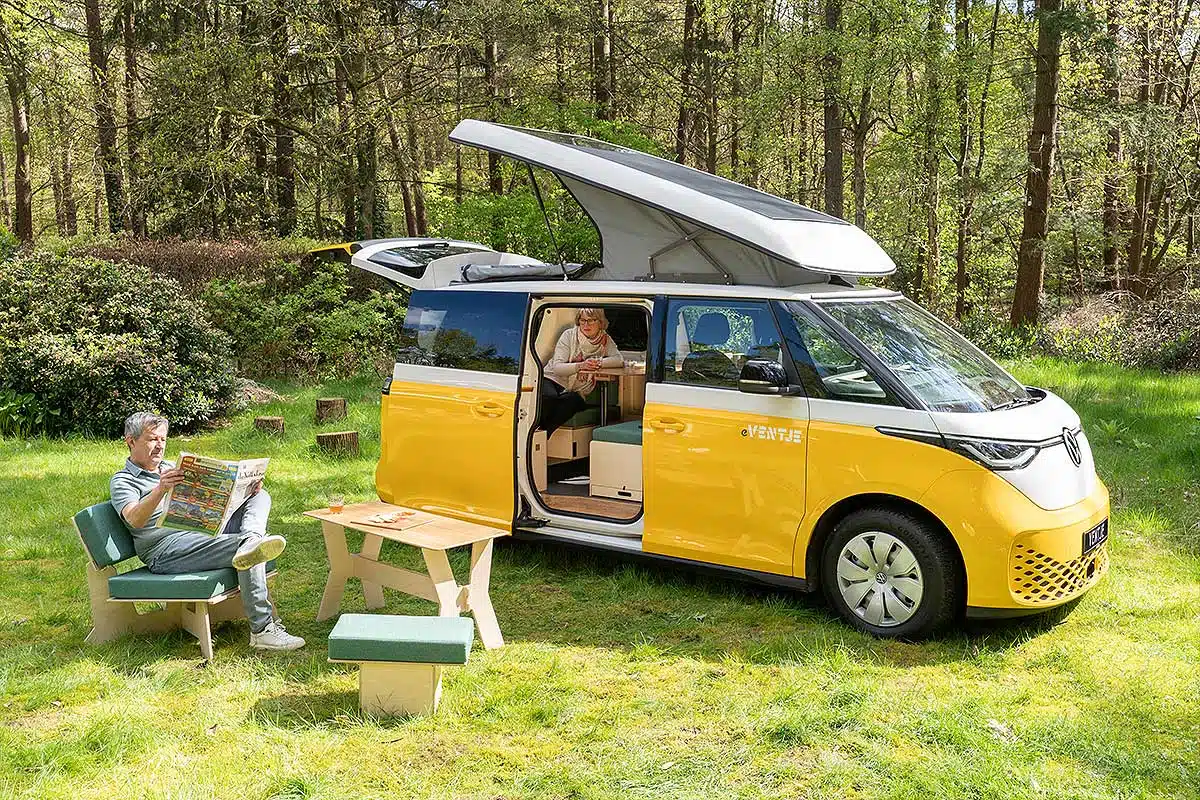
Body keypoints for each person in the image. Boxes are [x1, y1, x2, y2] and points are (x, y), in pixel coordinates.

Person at [109, 411, 305, 651]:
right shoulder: (123, 481)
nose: (159, 446)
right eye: (152, 439)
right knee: (249, 549)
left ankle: (252, 539)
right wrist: (160, 490)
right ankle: (262, 630)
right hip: (166, 550)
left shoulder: (171, 467)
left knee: (259, 496)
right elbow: (134, 519)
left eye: (163, 439)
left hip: (201, 531)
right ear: (130, 441)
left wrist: (243, 490)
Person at [540, 307, 624, 436]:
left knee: (576, 401)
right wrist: (581, 366)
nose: (586, 324)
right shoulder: (569, 335)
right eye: (583, 320)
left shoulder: (605, 339)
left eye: (591, 320)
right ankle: (537, 435)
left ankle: (544, 434)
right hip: (552, 378)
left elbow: (619, 360)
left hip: (574, 389)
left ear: (600, 322)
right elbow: (557, 368)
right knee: (550, 397)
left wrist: (597, 362)